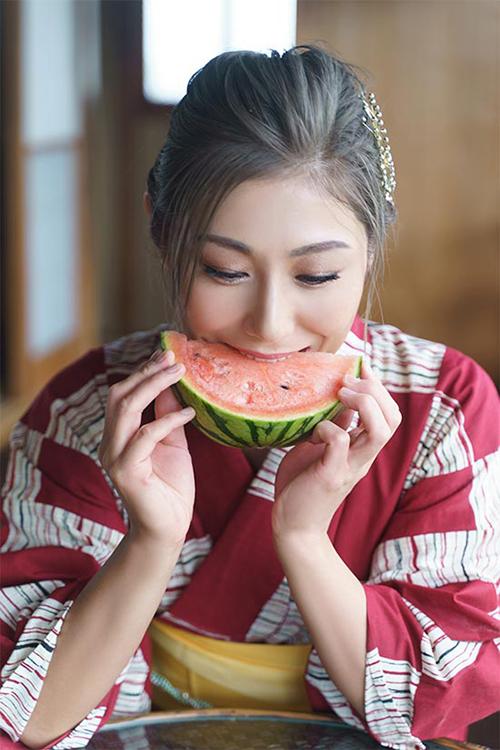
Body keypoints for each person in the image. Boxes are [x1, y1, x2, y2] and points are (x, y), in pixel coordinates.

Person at [1, 45, 498, 750]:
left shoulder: (444, 406)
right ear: (160, 229)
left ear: (374, 241)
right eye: (223, 270)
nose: (269, 326)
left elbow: (435, 709)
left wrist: (304, 540)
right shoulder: (81, 414)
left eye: (318, 275)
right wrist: (150, 543)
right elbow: (28, 717)